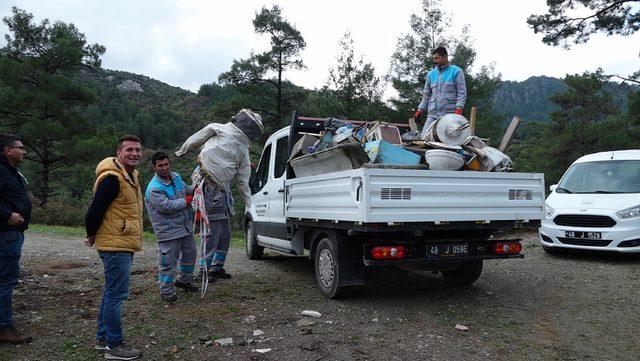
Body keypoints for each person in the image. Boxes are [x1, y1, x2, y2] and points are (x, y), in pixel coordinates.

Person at [175, 109, 263, 281]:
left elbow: (243, 180)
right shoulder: (222, 131)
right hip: (209, 187)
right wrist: (182, 151)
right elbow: (243, 182)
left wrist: (249, 203)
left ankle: (216, 267)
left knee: (224, 233)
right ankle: (203, 270)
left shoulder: (240, 148)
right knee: (212, 232)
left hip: (221, 190)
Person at [85, 135, 144, 360]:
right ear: (118, 153)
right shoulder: (112, 178)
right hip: (115, 244)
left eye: (138, 150)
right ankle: (114, 346)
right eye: (129, 150)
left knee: (112, 292)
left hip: (121, 240)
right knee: (116, 295)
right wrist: (91, 233)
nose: (134, 153)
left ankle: (103, 340)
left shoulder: (130, 175)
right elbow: (95, 210)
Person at [144, 151, 197, 303]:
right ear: (154, 167)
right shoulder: (154, 188)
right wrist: (186, 201)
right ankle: (166, 291)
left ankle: (184, 280)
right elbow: (165, 206)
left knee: (190, 254)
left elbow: (186, 189)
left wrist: (196, 188)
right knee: (168, 262)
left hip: (184, 226)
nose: (164, 168)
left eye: (166, 164)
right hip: (168, 230)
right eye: (160, 165)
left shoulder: (176, 177)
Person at [0, 134, 32, 345]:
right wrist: (7, 215)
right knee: (5, 281)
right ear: (7, 150)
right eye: (20, 148)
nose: (24, 151)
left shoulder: (9, 171)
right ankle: (4, 327)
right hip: (5, 233)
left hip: (11, 233)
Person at [413, 46, 467, 139]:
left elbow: (462, 93)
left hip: (450, 116)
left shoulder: (456, 71)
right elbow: (426, 95)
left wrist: (459, 109)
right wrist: (419, 110)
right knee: (424, 139)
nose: (435, 61)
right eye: (434, 58)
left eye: (437, 58)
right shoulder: (430, 75)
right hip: (433, 115)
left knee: (447, 142)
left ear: (445, 57)